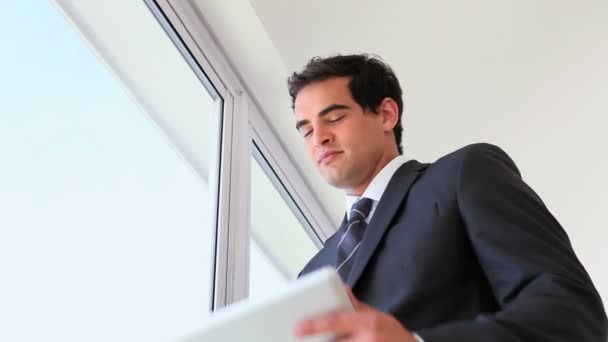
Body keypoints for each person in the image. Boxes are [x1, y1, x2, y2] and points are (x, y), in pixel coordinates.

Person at [287, 54, 607, 341]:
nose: (320, 138)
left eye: (334, 118)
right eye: (306, 130)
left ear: (386, 114)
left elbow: (571, 313)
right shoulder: (311, 274)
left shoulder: (463, 176)